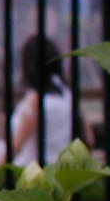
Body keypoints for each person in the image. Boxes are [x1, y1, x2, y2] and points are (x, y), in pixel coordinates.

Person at [9, 34, 76, 165]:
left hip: (33, 168)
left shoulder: (36, 100)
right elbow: (88, 137)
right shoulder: (67, 94)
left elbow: (17, 146)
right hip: (61, 164)